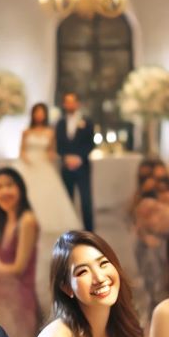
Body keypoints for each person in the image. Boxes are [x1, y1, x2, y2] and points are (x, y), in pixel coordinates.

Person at [0, 167, 41, 337]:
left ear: (20, 189)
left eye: (9, 185)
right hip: (1, 295)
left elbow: (18, 267)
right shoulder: (1, 220)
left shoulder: (27, 221)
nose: (4, 191)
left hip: (20, 299)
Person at [14, 103, 82, 236]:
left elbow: (52, 150)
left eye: (41, 112)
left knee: (47, 193)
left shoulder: (50, 132)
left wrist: (51, 156)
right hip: (28, 164)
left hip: (44, 164)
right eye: (36, 112)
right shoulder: (26, 132)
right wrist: (26, 159)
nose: (39, 115)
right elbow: (21, 150)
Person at [55, 92, 95, 232]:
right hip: (66, 166)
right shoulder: (60, 123)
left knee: (86, 200)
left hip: (82, 166)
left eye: (73, 101)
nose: (70, 104)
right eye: (67, 102)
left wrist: (79, 157)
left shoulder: (87, 121)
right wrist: (65, 157)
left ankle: (89, 231)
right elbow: (58, 144)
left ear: (77, 103)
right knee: (67, 199)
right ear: (64, 104)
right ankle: (69, 229)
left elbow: (90, 143)